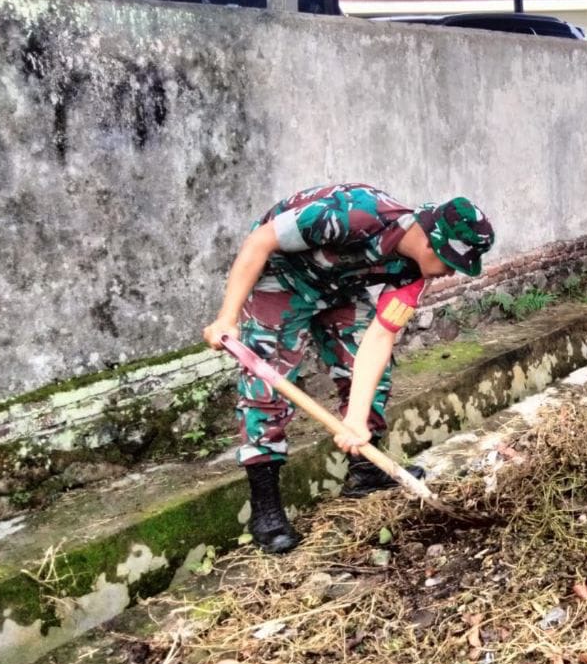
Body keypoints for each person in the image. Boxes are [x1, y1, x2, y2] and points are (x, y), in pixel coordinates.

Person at [202, 186, 495, 554]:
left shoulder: (415, 276)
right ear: (429, 240)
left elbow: (380, 337)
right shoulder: (354, 215)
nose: (451, 272)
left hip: (339, 288)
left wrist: (356, 420)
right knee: (267, 389)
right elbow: (260, 241)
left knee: (370, 368)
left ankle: (365, 470)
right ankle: (266, 511)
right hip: (282, 277)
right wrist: (227, 317)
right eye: (450, 262)